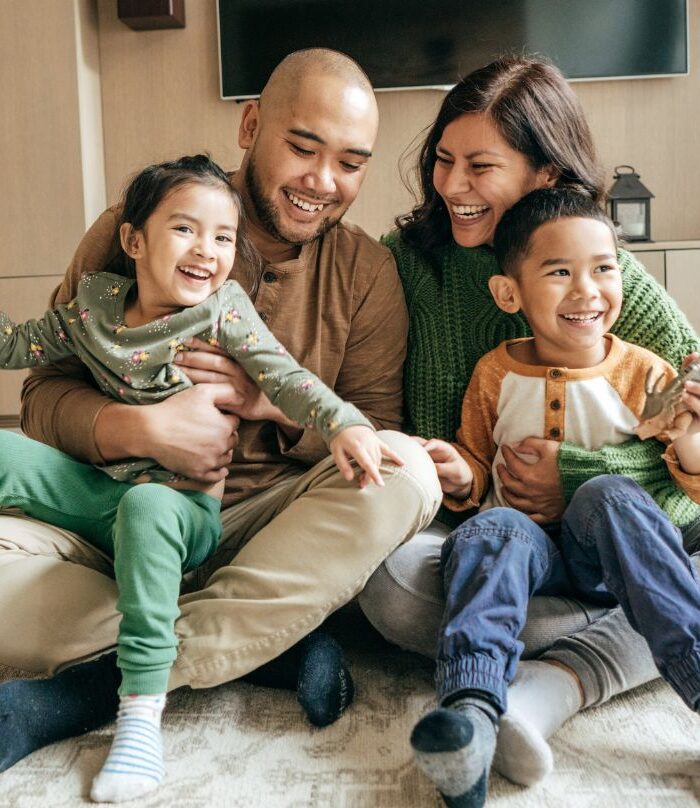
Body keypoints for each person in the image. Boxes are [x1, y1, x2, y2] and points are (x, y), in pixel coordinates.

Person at [0, 50, 442, 779]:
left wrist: (270, 404)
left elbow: (372, 429)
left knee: (407, 474)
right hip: (111, 521)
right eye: (303, 148)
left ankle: (86, 689)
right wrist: (139, 430)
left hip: (264, 532)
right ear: (249, 125)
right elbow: (42, 393)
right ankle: (264, 644)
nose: (322, 182)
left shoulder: (367, 273)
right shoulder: (133, 226)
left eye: (350, 164)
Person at [358, 54, 700, 786]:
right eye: (443, 161)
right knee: (391, 585)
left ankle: (552, 683)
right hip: (492, 538)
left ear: (544, 173)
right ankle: (502, 699)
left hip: (622, 537)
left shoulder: (601, 274)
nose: (452, 185)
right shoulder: (408, 265)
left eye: (480, 166)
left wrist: (577, 476)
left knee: (647, 539)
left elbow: (686, 423)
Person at [409, 187, 700, 807]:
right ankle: (470, 716)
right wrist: (461, 474)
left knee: (608, 494)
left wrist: (694, 436)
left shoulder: (644, 373)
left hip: (610, 557)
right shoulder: (495, 372)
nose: (587, 291)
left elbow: (682, 472)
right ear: (510, 294)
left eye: (603, 269)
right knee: (492, 531)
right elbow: (479, 459)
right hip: (528, 556)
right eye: (560, 272)